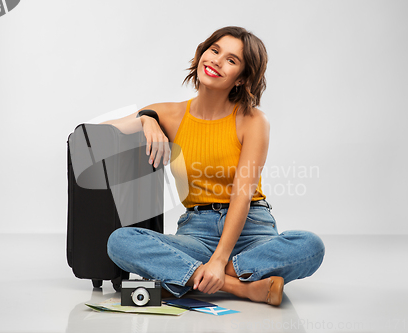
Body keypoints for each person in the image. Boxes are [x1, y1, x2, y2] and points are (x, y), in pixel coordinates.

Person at [105, 26, 325, 306]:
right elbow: (94, 134)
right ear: (201, 54)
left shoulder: (253, 120)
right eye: (214, 50)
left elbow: (242, 195)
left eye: (231, 60)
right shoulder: (169, 113)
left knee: (310, 246)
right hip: (196, 232)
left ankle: (190, 277)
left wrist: (219, 260)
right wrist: (146, 119)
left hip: (251, 231)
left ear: (242, 79)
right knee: (120, 241)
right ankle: (241, 288)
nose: (217, 61)